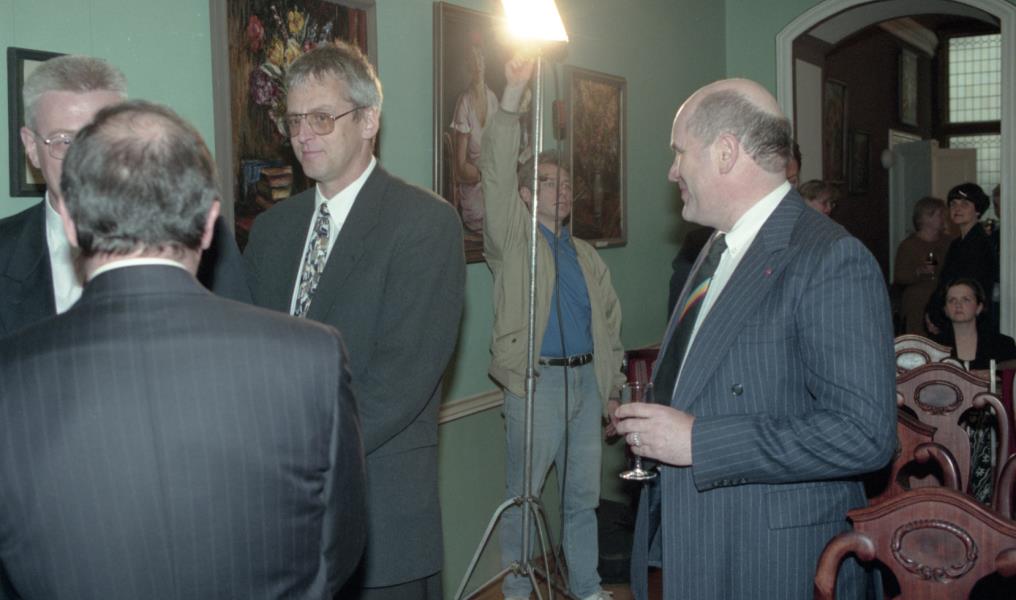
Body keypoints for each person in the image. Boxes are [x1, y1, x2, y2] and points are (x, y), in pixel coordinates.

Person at [0, 100, 366, 599]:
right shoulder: (312, 357)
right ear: (210, 224)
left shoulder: (11, 378)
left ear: (69, 223)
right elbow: (337, 548)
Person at [614, 78, 896, 599]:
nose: (672, 170)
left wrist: (698, 442)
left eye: (679, 152)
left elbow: (864, 434)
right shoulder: (716, 247)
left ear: (725, 152)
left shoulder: (829, 257)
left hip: (770, 559)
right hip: (697, 537)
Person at [243, 42, 465, 600]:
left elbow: (398, 382)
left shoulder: (424, 224)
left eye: (321, 117)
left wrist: (290, 454)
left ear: (368, 121)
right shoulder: (271, 231)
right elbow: (250, 357)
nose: (303, 135)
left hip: (378, 526)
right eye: (294, 121)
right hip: (278, 527)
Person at [479, 56, 625, 600]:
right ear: (525, 194)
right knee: (524, 497)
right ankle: (518, 593)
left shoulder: (585, 254)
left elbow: (609, 326)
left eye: (566, 183)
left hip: (586, 385)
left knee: (582, 499)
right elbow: (496, 171)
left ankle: (586, 588)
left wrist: (613, 390)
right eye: (548, 182)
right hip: (536, 384)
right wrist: (513, 92)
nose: (562, 190)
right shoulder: (513, 244)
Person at [0, 55, 249, 337]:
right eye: (65, 141)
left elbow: (240, 343)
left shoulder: (196, 233)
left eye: (102, 140)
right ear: (31, 147)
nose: (87, 160)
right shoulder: (5, 251)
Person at [926, 182, 998, 335]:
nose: (957, 209)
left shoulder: (980, 243)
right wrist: (932, 312)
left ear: (977, 210)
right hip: (954, 315)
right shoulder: (957, 243)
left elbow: (970, 285)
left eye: (964, 204)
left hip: (969, 320)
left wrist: (939, 315)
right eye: (953, 204)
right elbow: (945, 281)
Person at [450, 43, 499, 234]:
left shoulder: (493, 99)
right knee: (486, 217)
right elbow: (460, 167)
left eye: (480, 59)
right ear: (469, 66)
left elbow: (499, 149)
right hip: (473, 188)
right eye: (473, 60)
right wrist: (486, 175)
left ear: (485, 63)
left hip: (494, 185)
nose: (478, 64)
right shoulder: (464, 103)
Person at [893, 196, 952, 335]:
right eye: (939, 215)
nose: (943, 218)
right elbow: (900, 276)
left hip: (943, 300)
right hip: (918, 303)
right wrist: (919, 271)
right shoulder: (909, 245)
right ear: (924, 218)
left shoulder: (949, 242)